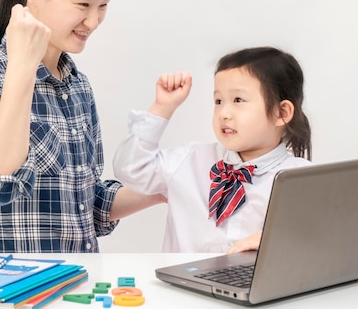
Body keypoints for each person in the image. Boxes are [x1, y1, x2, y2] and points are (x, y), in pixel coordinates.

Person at [0, 0, 163, 253]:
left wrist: (166, 187)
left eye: (103, 5)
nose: (93, 22)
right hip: (13, 294)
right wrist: (23, 64)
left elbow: (88, 208)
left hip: (79, 286)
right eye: (83, 4)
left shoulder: (78, 87)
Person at [113, 46, 313, 253]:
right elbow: (130, 169)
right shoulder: (190, 161)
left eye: (238, 100)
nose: (224, 113)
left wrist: (277, 239)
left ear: (282, 112)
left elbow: (321, 241)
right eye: (218, 101)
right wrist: (162, 108)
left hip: (259, 285)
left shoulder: (302, 180)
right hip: (180, 284)